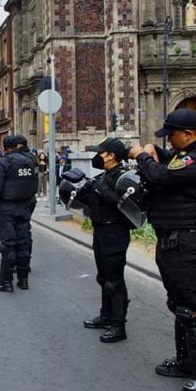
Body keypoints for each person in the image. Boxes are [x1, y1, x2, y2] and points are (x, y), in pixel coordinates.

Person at [129, 108, 196, 391]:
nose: (169, 142)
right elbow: (170, 165)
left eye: (171, 136)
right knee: (180, 304)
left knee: (193, 308)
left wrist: (142, 155)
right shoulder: (191, 155)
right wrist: (152, 151)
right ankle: (187, 362)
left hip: (189, 242)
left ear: (188, 134)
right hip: (176, 241)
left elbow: (162, 176)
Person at [75, 137, 131, 343]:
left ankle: (118, 326)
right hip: (100, 231)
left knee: (114, 281)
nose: (97, 156)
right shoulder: (103, 176)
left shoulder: (125, 177)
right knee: (103, 277)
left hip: (115, 231)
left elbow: (125, 204)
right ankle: (106, 315)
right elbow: (83, 201)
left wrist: (102, 189)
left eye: (101, 152)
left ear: (111, 155)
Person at [0, 135, 38, 292]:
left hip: (6, 208)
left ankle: (6, 282)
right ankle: (23, 280)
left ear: (5, 147)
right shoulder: (31, 161)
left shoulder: (4, 162)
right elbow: (34, 185)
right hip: (24, 206)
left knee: (8, 244)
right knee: (23, 243)